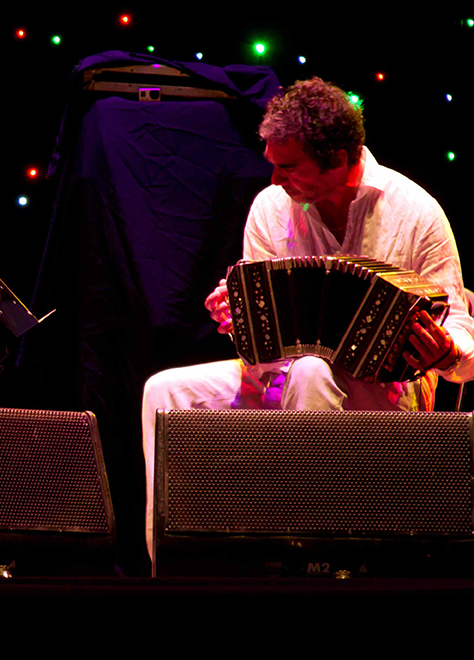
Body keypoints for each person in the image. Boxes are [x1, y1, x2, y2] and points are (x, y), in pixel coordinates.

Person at [140, 77, 474, 563]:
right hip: (282, 373)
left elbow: (462, 335)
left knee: (312, 371)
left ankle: (310, 557)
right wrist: (240, 315)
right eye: (272, 164)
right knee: (165, 391)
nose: (275, 178)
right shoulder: (270, 208)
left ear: (337, 159)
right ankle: (171, 566)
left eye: (289, 166)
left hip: (387, 386)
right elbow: (261, 343)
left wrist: (446, 353)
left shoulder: (416, 213)